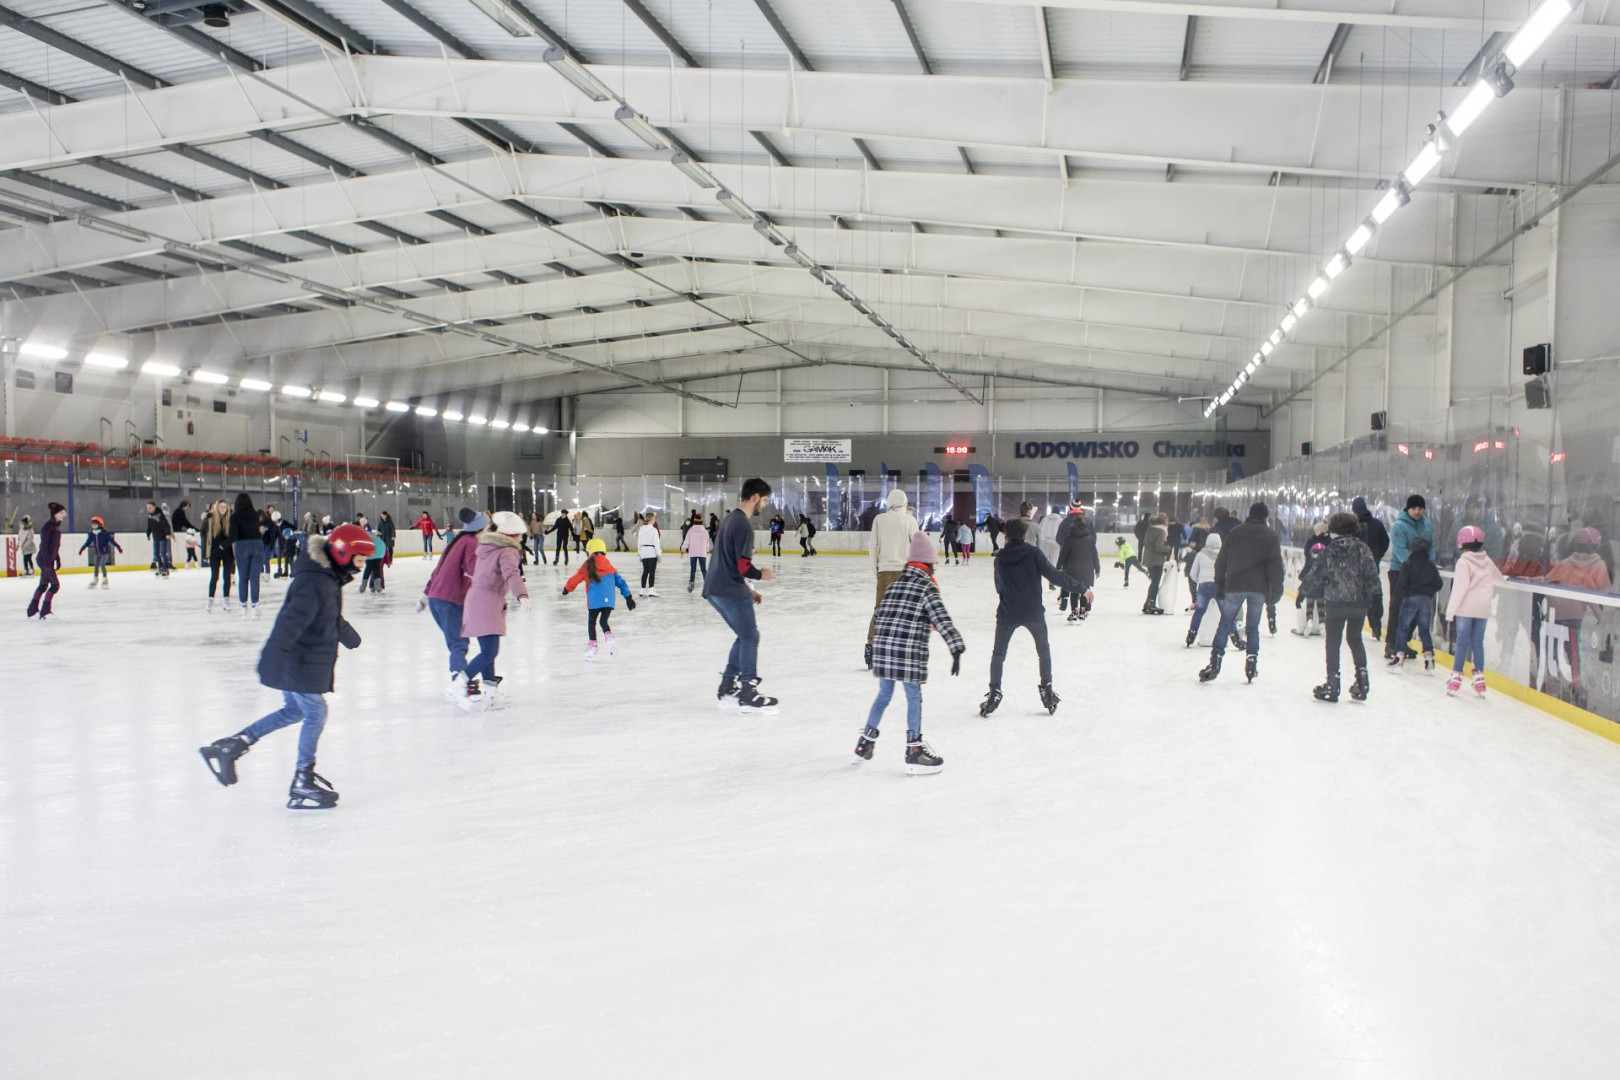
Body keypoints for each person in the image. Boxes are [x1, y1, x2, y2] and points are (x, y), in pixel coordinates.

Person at [197, 524, 371, 810]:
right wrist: (273, 658)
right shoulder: (317, 581)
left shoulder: (324, 578)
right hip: (299, 661)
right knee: (315, 712)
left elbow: (325, 615)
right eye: (360, 560)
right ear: (342, 553)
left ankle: (232, 745)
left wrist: (348, 635)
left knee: (294, 711)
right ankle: (303, 778)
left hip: (300, 661)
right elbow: (291, 621)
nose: (361, 568)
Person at [854, 531, 964, 775]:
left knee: (884, 695)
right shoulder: (927, 587)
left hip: (885, 651)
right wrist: (956, 648)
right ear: (927, 563)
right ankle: (914, 750)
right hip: (907, 654)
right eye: (933, 564)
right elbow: (942, 620)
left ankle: (865, 742)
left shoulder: (894, 586)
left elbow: (879, 615)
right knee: (913, 696)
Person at [980, 518, 1084, 716]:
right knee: (1043, 651)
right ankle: (1047, 690)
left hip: (1008, 612)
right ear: (1025, 535)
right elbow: (1055, 576)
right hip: (1034, 612)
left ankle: (994, 692)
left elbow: (998, 587)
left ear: (1005, 536)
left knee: (998, 655)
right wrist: (1082, 589)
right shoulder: (1034, 553)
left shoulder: (1000, 557)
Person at [704, 478, 778, 713]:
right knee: (750, 637)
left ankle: (727, 686)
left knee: (744, 634)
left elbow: (728, 561)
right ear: (755, 497)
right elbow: (743, 566)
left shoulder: (730, 519)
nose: (764, 505)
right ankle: (748, 691)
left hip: (715, 588)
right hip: (728, 590)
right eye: (764, 500)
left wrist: (749, 589)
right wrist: (761, 575)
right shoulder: (744, 525)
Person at [1198, 502, 1284, 684]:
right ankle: (1251, 663)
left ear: (1250, 514)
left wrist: (1219, 584)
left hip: (1235, 584)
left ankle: (1215, 662)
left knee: (1225, 623)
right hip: (1259, 588)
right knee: (1252, 627)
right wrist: (1276, 590)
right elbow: (1275, 566)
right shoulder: (1270, 535)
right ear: (1265, 517)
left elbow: (1221, 561)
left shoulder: (1236, 532)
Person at [1303, 512, 1381, 703]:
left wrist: (1302, 592)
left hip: (1335, 603)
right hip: (1359, 603)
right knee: (1355, 640)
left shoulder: (1329, 550)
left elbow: (1315, 575)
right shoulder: (1363, 549)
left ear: (1333, 529)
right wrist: (1376, 598)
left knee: (1333, 641)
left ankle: (1333, 683)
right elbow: (1372, 575)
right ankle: (1362, 681)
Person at [418, 508, 488, 709]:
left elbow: (437, 569)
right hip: (450, 601)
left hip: (437, 600)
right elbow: (475, 570)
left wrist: (425, 595)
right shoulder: (471, 543)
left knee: (457, 642)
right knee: (459, 644)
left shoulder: (457, 541)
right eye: (486, 527)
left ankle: (461, 684)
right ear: (480, 528)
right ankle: (460, 685)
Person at [461, 511, 532, 703]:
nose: (521, 538)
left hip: (478, 600)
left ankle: (490, 689)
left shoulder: (488, 546)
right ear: (511, 535)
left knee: (487, 649)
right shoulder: (508, 550)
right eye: (519, 534)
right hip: (488, 603)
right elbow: (511, 573)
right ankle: (461, 683)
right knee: (489, 651)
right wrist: (522, 594)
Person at [1539, 527, 1612, 707]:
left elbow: (1548, 582)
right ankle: (1577, 684)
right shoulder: (1599, 565)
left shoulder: (1565, 562)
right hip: (1573, 616)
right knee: (1573, 652)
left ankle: (1552, 680)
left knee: (1555, 647)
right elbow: (1598, 593)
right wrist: (1600, 616)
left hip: (1555, 613)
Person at [1446, 525, 1506, 697]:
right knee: (1477, 642)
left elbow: (1459, 589)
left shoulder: (1463, 562)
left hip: (1465, 609)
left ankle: (1456, 678)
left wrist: (1451, 611)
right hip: (1482, 609)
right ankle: (1479, 678)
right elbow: (1498, 576)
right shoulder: (1487, 560)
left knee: (1462, 642)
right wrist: (1505, 579)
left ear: (1461, 542)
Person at [866, 488, 920, 669]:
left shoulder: (879, 520)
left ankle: (871, 647)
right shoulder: (910, 520)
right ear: (904, 502)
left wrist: (878, 572)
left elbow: (872, 547)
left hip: (884, 572)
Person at [564, 537, 636, 661]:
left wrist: (567, 588)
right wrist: (628, 597)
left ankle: (592, 648)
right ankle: (610, 639)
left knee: (592, 623)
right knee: (603, 621)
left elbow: (576, 578)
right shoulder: (609, 565)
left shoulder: (587, 565)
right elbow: (621, 582)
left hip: (594, 601)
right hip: (609, 600)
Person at [1385, 495, 1434, 660]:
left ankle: (1402, 642)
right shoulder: (1399, 526)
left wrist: (1430, 565)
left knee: (1415, 609)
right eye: (1414, 508)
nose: (1418, 511)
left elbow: (1431, 546)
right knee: (1398, 607)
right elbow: (1400, 551)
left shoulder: (1427, 524)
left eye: (1420, 508)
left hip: (1419, 572)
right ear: (1408, 509)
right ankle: (1391, 644)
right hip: (1400, 571)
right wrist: (1415, 567)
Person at [1388, 537, 1442, 671]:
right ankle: (1429, 659)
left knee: (1402, 628)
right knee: (1424, 630)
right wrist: (1428, 593)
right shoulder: (1430, 565)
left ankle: (1399, 657)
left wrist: (1395, 602)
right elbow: (1439, 583)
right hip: (1425, 600)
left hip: (1410, 598)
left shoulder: (1408, 564)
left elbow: (1401, 585)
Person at [1054, 500, 1100, 622]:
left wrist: (1067, 548)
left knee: (1073, 587)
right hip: (1086, 562)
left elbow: (1059, 539)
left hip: (1070, 562)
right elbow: (1094, 543)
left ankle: (1071, 607)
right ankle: (1084, 610)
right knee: (1085, 586)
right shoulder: (1088, 522)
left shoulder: (1065, 523)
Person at [1352, 497, 1389, 638]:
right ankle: (1376, 625)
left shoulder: (1352, 526)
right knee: (1374, 596)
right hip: (1373, 566)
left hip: (1355, 569)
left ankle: (1355, 626)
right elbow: (1385, 542)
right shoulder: (1377, 524)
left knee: (1356, 597)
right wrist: (1377, 555)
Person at [25, 503, 66, 619]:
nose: (64, 515)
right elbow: (44, 546)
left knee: (43, 585)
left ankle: (32, 610)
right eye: (61, 513)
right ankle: (45, 611)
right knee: (55, 585)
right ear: (55, 514)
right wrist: (48, 563)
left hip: (47, 560)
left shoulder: (55, 527)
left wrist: (57, 558)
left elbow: (53, 546)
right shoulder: (48, 527)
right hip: (45, 560)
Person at [230, 492, 267, 616]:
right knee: (254, 577)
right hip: (257, 544)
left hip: (242, 545)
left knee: (243, 577)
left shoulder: (234, 516)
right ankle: (254, 604)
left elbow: (233, 535)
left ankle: (243, 605)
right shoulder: (255, 515)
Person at [1184, 532, 1222, 646]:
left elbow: (1193, 573)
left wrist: (1200, 580)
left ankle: (1191, 634)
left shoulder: (1201, 554)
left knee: (1199, 611)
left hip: (1204, 585)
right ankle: (1235, 637)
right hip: (1219, 585)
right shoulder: (1223, 554)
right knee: (1226, 612)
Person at [1292, 521, 1330, 636]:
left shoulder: (1312, 542)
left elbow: (1308, 561)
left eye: (1318, 530)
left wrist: (1303, 575)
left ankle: (1309, 621)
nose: (1316, 532)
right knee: (1320, 601)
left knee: (1311, 599)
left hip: (1312, 577)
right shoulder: (1328, 542)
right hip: (1322, 578)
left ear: (1323, 531)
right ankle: (1321, 624)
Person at [203, 500, 235, 612]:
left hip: (227, 552)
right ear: (217, 507)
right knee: (214, 576)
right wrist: (206, 553)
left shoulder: (230, 519)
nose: (223, 509)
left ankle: (226, 600)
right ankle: (210, 600)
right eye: (221, 506)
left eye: (225, 507)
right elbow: (205, 536)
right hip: (214, 552)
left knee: (227, 577)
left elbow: (233, 535)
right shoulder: (210, 519)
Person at [1140, 513, 1172, 615]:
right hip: (1157, 560)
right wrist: (1168, 548)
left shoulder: (1150, 530)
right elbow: (1158, 547)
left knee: (1153, 582)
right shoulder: (1161, 531)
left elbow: (1145, 542)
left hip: (1148, 559)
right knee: (1155, 583)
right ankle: (1152, 604)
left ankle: (1147, 604)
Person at [79, 516, 122, 589]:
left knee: (102, 564)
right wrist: (82, 549)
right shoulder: (91, 534)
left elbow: (112, 541)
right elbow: (88, 542)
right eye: (93, 524)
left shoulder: (104, 533)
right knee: (95, 565)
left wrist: (118, 547)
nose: (94, 526)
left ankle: (105, 579)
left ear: (100, 525)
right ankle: (95, 578)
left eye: (95, 524)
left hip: (104, 552)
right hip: (97, 553)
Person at [680, 515, 710, 593]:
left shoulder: (691, 530)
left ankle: (691, 584)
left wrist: (683, 549)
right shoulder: (705, 531)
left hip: (693, 552)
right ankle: (708, 585)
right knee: (703, 569)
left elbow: (686, 541)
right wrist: (707, 549)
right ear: (701, 521)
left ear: (694, 521)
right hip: (702, 552)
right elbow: (707, 542)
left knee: (693, 569)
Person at [145, 501, 173, 577]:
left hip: (163, 536)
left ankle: (165, 568)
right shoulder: (150, 516)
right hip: (155, 536)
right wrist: (148, 534)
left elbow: (166, 524)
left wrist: (167, 533)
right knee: (156, 553)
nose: (148, 509)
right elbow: (149, 526)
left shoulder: (160, 515)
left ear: (154, 507)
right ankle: (160, 567)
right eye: (147, 508)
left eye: (150, 507)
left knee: (163, 553)